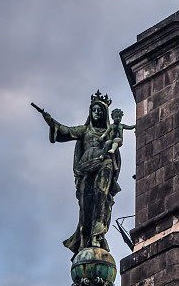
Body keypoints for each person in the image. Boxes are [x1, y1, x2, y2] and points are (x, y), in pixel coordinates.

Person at [33, 91, 132, 254]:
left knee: (101, 195)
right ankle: (85, 236)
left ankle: (97, 235)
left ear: (105, 113)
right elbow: (64, 131)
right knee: (86, 204)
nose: (97, 112)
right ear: (90, 112)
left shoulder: (110, 131)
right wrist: (50, 120)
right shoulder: (84, 130)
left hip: (104, 163)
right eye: (94, 109)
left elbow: (117, 148)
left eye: (100, 110)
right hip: (86, 166)